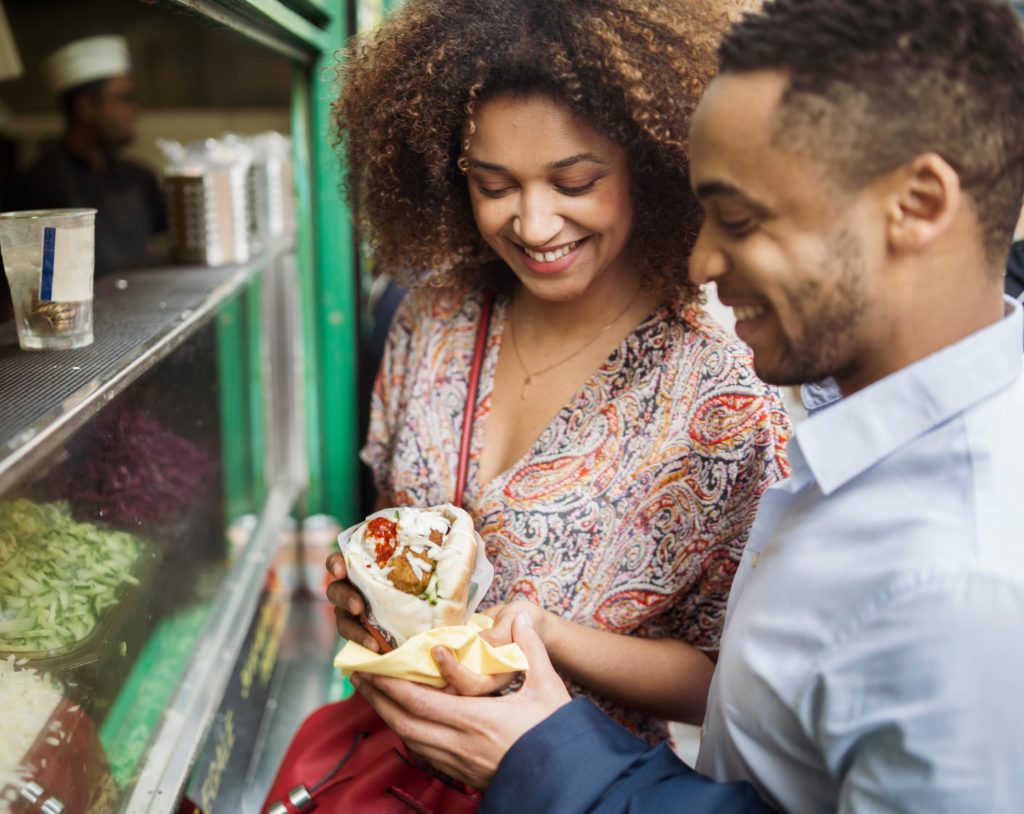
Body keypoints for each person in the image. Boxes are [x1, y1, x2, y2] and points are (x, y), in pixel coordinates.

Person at [349, 0, 1024, 811]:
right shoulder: (853, 451)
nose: (707, 257)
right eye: (493, 184)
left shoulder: (963, 574)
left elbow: (719, 686)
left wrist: (550, 752)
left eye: (738, 219)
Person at [326, 0, 790, 746]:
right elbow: (395, 521)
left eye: (574, 183)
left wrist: (545, 634)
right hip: (385, 763)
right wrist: (367, 588)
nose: (534, 225)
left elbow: (727, 682)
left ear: (656, 165)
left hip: (572, 787)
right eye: (494, 185)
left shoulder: (722, 395)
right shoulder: (433, 320)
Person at [9, 35, 166, 278]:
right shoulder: (37, 186)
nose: (135, 110)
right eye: (124, 99)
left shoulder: (140, 177)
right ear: (87, 107)